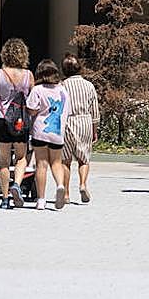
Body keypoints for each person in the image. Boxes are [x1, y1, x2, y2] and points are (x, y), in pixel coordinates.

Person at [0, 37, 33, 209]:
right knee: (21, 157)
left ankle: (5, 199)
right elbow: (32, 100)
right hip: (21, 121)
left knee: (4, 161)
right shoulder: (28, 75)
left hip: (2, 119)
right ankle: (17, 184)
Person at [26, 58, 71, 211]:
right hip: (57, 133)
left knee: (41, 164)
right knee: (56, 163)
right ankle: (60, 185)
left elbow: (32, 109)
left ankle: (41, 199)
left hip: (40, 131)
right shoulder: (63, 90)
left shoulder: (37, 90)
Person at [60, 55, 100, 203]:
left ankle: (66, 194)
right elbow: (94, 111)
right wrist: (94, 130)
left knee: (65, 161)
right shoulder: (88, 85)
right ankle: (83, 184)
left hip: (67, 122)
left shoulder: (61, 86)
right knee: (84, 159)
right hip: (84, 121)